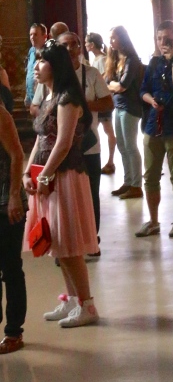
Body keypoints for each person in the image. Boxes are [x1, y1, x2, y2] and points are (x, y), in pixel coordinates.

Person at [23, 43, 100, 328]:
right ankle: (71, 299)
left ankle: (87, 305)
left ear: (55, 65)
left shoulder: (68, 99)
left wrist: (45, 175)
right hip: (48, 176)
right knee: (57, 242)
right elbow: (40, 141)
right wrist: (28, 174)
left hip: (65, 176)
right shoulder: (49, 96)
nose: (35, 67)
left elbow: (63, 142)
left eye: (41, 62)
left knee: (69, 245)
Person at [136, 21, 173, 238]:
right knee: (150, 175)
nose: (163, 43)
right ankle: (153, 220)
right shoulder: (152, 63)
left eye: (167, 39)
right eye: (160, 38)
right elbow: (142, 90)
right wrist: (150, 100)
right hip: (153, 125)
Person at [58, 32, 114, 258]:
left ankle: (92, 239)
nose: (71, 49)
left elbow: (108, 101)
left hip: (88, 146)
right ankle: (69, 244)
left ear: (81, 48)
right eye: (65, 45)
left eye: (74, 45)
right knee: (65, 197)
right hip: (61, 147)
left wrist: (82, 105)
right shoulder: (54, 75)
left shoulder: (91, 74)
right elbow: (36, 106)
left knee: (90, 195)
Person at [0, 98, 28, 353]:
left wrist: (13, 196)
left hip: (5, 202)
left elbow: (17, 154)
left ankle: (13, 332)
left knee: (10, 267)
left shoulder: (0, 114)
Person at [105, 26, 144, 199]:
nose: (111, 41)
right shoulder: (114, 58)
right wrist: (114, 86)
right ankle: (128, 181)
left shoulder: (132, 59)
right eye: (110, 38)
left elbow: (123, 85)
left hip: (131, 106)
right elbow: (108, 81)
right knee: (121, 146)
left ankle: (136, 185)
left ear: (122, 38)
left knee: (130, 146)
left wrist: (113, 86)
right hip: (118, 106)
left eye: (114, 37)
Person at [86, 32, 117, 174]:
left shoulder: (101, 60)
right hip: (100, 99)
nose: (85, 45)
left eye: (87, 43)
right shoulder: (98, 59)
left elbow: (104, 78)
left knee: (107, 130)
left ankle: (110, 161)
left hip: (102, 100)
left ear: (92, 45)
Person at [25, 22, 47, 110]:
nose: (32, 37)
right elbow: (29, 72)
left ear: (44, 36)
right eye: (30, 35)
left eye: (35, 34)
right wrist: (27, 95)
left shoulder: (47, 53)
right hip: (32, 98)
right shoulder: (31, 51)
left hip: (43, 99)